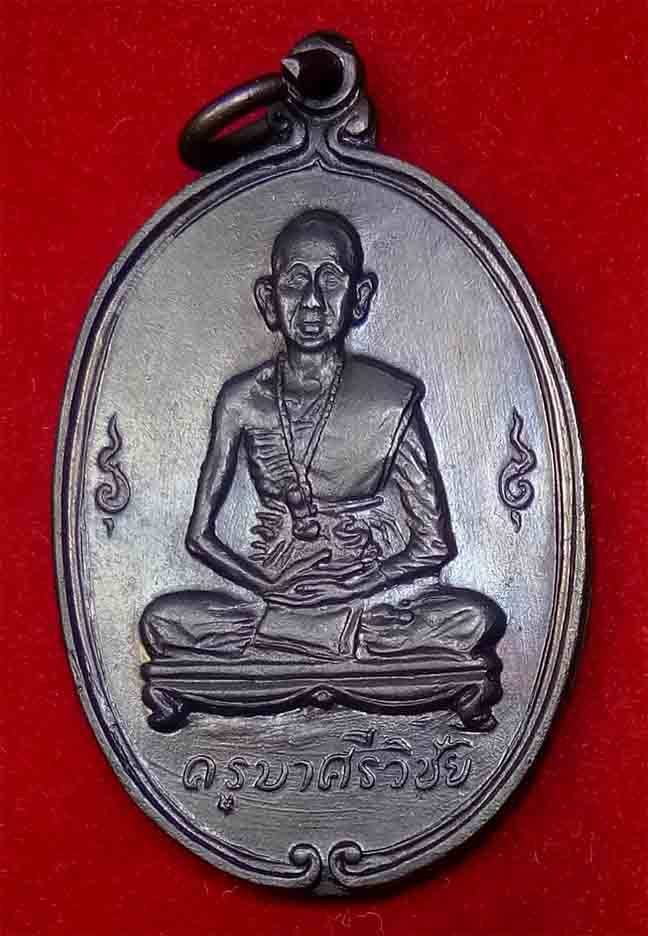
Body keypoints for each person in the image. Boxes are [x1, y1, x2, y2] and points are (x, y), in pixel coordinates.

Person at [140, 209, 505, 726]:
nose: (312, 301)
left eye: (330, 280)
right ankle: (330, 659)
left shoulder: (388, 399)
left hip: (365, 604)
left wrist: (353, 587)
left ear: (360, 297)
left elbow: (433, 544)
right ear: (269, 300)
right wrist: (267, 585)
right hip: (270, 601)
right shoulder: (243, 399)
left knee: (472, 618)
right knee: (163, 620)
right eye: (295, 282)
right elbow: (200, 537)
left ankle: (290, 661)